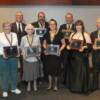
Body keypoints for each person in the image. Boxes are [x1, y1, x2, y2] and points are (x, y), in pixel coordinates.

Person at [67, 20, 92, 94]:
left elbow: (90, 46)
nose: (78, 26)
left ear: (82, 26)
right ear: (75, 26)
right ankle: (74, 87)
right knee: (74, 72)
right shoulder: (72, 34)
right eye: (77, 25)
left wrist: (83, 47)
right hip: (73, 56)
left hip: (81, 56)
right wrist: (68, 47)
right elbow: (69, 44)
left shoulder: (85, 34)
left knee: (81, 72)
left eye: (80, 25)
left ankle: (81, 88)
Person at [43, 19, 65, 91]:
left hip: (56, 55)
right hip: (49, 55)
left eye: (54, 24)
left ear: (56, 25)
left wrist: (59, 50)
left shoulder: (60, 33)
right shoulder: (46, 33)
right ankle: (50, 85)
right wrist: (45, 49)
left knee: (56, 71)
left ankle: (55, 85)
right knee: (49, 70)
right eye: (51, 24)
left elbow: (64, 44)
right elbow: (44, 44)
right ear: (49, 25)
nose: (52, 25)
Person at [0, 22, 21, 98]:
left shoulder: (14, 34)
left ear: (11, 27)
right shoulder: (0, 35)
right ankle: (5, 90)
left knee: (14, 73)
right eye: (6, 26)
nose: (7, 28)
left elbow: (16, 45)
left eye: (9, 26)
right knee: (5, 74)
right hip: (4, 57)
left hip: (13, 57)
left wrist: (18, 52)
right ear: (3, 27)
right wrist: (3, 54)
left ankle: (14, 88)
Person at [20, 24, 41, 92]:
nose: (30, 30)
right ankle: (29, 84)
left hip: (35, 58)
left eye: (31, 29)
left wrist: (38, 54)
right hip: (27, 58)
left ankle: (34, 84)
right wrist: (24, 55)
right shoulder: (23, 38)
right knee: (28, 72)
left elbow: (39, 47)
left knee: (35, 71)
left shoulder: (37, 37)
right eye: (28, 29)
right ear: (26, 30)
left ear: (33, 30)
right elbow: (21, 47)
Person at [32, 11, 49, 81]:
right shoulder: (33, 24)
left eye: (43, 17)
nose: (42, 18)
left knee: (46, 64)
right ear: (38, 17)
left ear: (44, 17)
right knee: (37, 64)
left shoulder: (48, 25)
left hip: (46, 47)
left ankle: (46, 78)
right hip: (37, 47)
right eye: (40, 16)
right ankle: (38, 79)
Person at [59, 12, 74, 86]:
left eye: (69, 17)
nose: (68, 19)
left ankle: (72, 80)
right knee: (64, 65)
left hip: (73, 50)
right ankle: (64, 80)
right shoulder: (62, 27)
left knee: (72, 66)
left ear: (72, 19)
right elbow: (59, 38)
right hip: (64, 50)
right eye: (67, 17)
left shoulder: (75, 27)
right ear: (65, 18)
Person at [11, 11, 26, 80]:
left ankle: (23, 79)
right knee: (14, 65)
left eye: (21, 16)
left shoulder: (25, 26)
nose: (19, 17)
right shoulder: (11, 25)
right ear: (15, 17)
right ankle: (15, 81)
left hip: (23, 49)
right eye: (18, 16)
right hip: (14, 49)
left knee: (23, 65)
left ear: (22, 17)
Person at [90, 18, 100, 91]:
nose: (98, 24)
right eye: (97, 23)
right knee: (95, 71)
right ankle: (95, 86)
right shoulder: (92, 34)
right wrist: (92, 47)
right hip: (96, 55)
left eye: (99, 22)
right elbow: (90, 45)